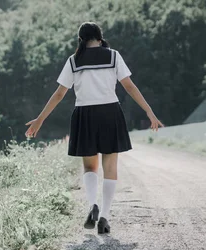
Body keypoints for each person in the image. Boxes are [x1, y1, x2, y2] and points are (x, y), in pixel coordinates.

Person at [24, 21, 163, 234]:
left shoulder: (74, 61)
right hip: (110, 113)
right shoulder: (113, 56)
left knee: (90, 167)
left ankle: (92, 205)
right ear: (100, 37)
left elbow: (60, 94)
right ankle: (105, 216)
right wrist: (149, 111)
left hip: (85, 115)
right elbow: (129, 86)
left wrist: (40, 119)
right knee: (110, 168)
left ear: (80, 39)